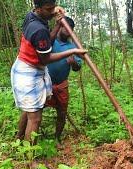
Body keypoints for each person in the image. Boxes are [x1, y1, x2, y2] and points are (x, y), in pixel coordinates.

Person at [11, 0, 87, 143]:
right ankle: (28, 159)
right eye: (49, 9)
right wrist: (73, 51)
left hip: (36, 71)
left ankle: (21, 142)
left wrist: (57, 23)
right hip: (29, 72)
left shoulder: (32, 16)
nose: (53, 11)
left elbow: (47, 43)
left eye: (53, 7)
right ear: (38, 8)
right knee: (35, 118)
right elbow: (46, 58)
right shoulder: (38, 29)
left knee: (34, 112)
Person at [45, 16, 82, 143]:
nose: (67, 30)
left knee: (62, 113)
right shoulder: (51, 41)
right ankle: (31, 136)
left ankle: (57, 138)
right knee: (36, 110)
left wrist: (73, 63)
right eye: (65, 27)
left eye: (70, 28)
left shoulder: (73, 47)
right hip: (45, 83)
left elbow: (78, 67)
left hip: (61, 85)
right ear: (60, 26)